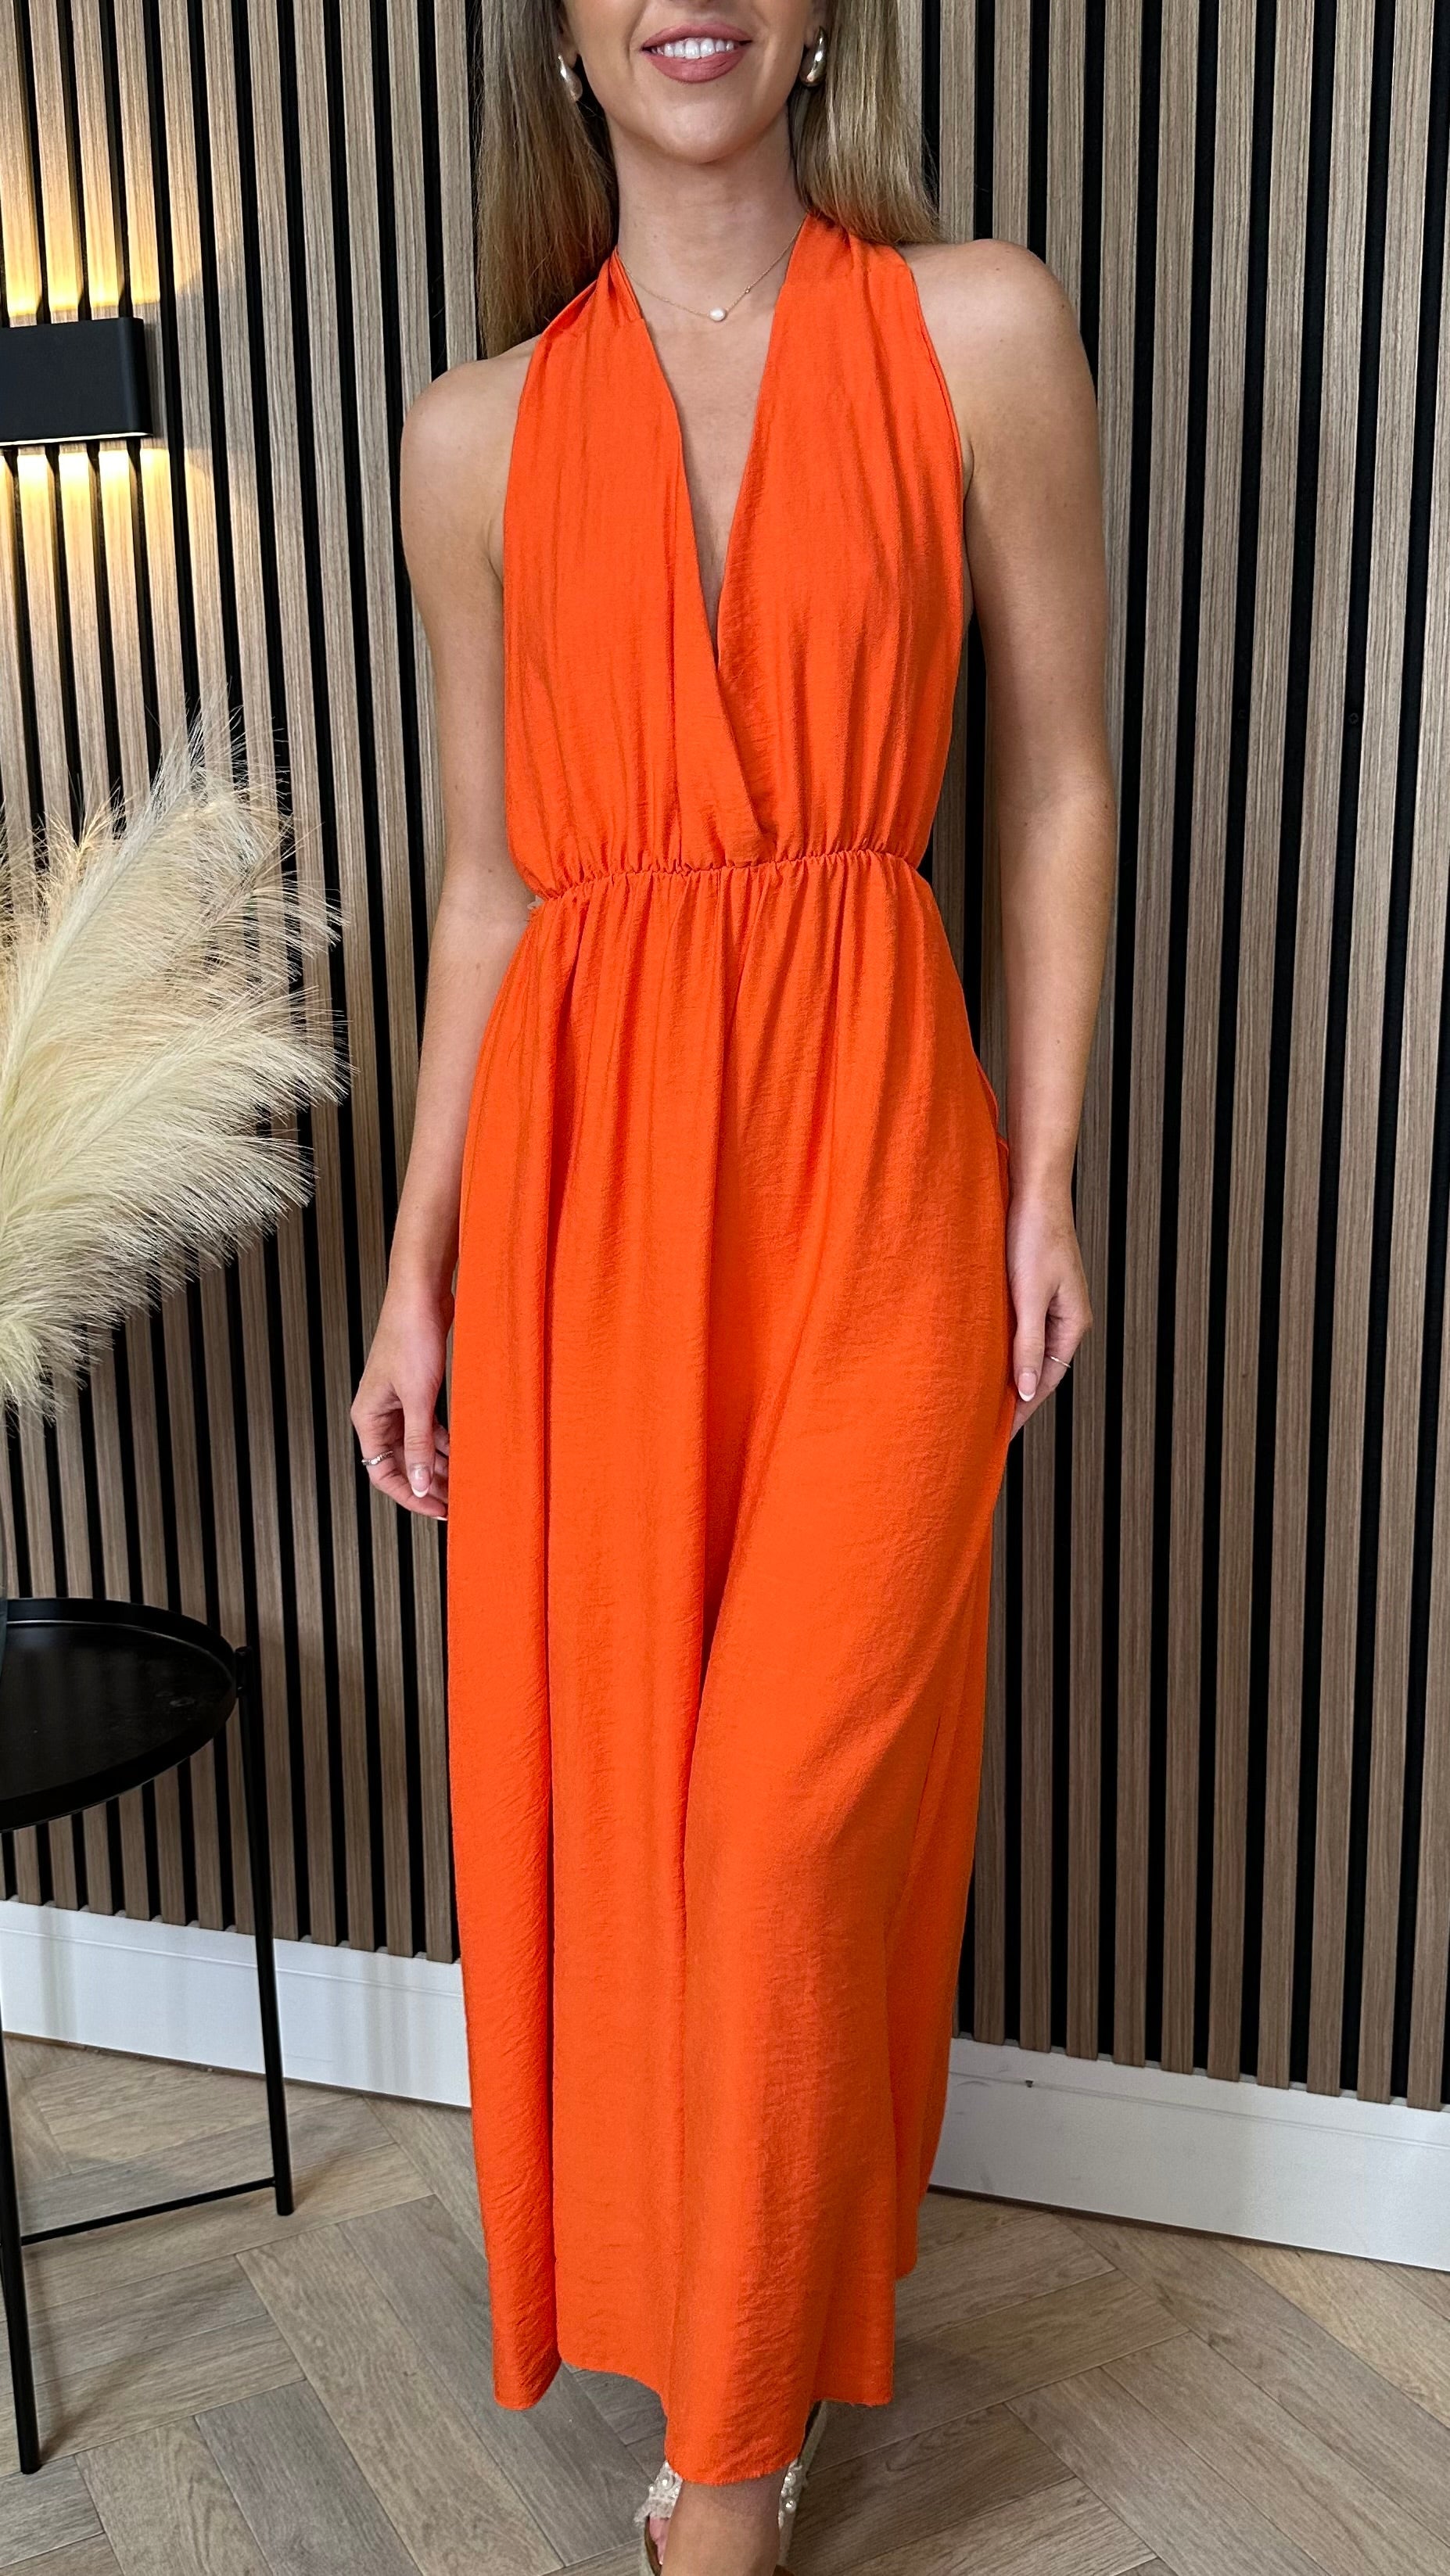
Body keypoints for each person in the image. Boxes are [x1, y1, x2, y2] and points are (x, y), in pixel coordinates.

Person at [352, 4, 1114, 2570]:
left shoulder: (978, 329)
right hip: (587, 1197)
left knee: (786, 1823)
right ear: (561, 37)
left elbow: (1060, 774)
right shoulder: (470, 437)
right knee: (637, 1830)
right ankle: (729, 2381)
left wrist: (1043, 1178)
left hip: (879, 1162)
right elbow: (492, 886)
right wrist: (418, 1271)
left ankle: (727, 2467)